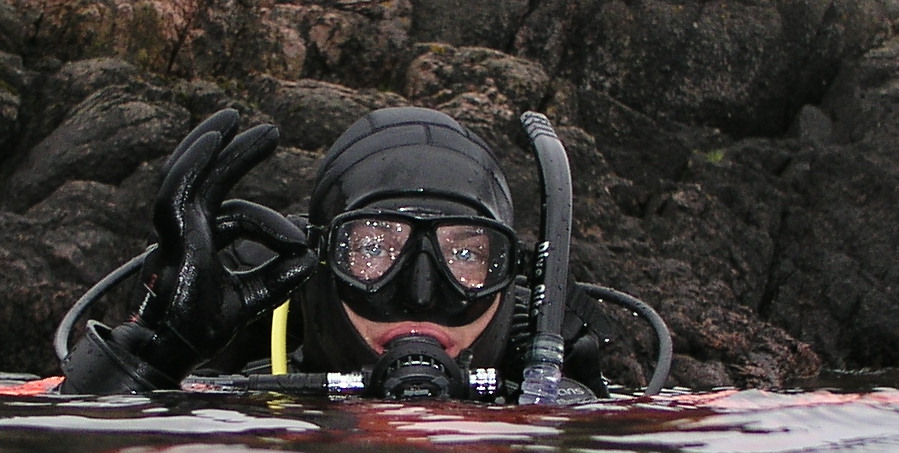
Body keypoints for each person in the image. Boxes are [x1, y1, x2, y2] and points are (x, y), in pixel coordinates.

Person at [58, 104, 653, 401]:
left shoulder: (545, 399)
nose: (421, 293)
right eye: (372, 246)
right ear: (318, 260)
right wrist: (153, 355)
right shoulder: (242, 403)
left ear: (514, 277)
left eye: (468, 255)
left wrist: (582, 409)